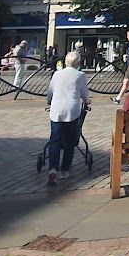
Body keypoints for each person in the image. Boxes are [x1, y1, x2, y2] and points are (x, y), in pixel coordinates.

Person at [46, 50, 90, 184]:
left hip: (57, 110)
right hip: (72, 110)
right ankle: (65, 169)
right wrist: (87, 101)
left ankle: (53, 168)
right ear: (78, 63)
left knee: (55, 140)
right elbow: (84, 93)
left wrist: (49, 101)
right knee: (70, 141)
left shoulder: (57, 74)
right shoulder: (80, 75)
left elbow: (50, 91)